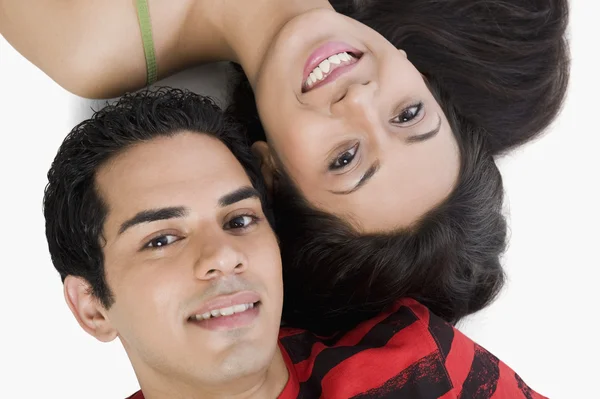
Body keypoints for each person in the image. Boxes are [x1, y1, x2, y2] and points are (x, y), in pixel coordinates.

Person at [3, 0, 568, 327]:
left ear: (268, 171)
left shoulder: (89, 42)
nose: (360, 100)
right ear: (417, 70)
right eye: (408, 113)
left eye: (345, 158)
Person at [43, 88, 547, 399]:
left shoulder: (415, 362)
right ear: (92, 308)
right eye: (162, 239)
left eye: (239, 219)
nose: (222, 254)